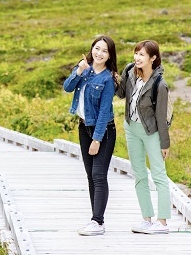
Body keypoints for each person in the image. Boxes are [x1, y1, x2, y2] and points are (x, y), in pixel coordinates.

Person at [63, 35, 118, 236]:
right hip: (83, 127)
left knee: (98, 175)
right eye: (97, 48)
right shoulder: (84, 70)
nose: (99, 53)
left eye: (105, 50)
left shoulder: (108, 78)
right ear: (91, 49)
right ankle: (95, 219)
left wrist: (97, 139)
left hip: (103, 130)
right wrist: (79, 71)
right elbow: (67, 87)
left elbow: (104, 111)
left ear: (110, 55)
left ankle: (98, 222)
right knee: (90, 176)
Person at [117, 40, 171, 234]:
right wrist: (114, 76)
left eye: (142, 55)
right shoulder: (130, 71)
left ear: (153, 58)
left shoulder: (160, 84)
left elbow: (161, 117)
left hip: (151, 132)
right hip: (131, 129)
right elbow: (121, 94)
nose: (137, 58)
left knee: (159, 175)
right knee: (139, 174)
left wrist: (165, 143)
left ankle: (162, 222)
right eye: (136, 53)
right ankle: (146, 219)